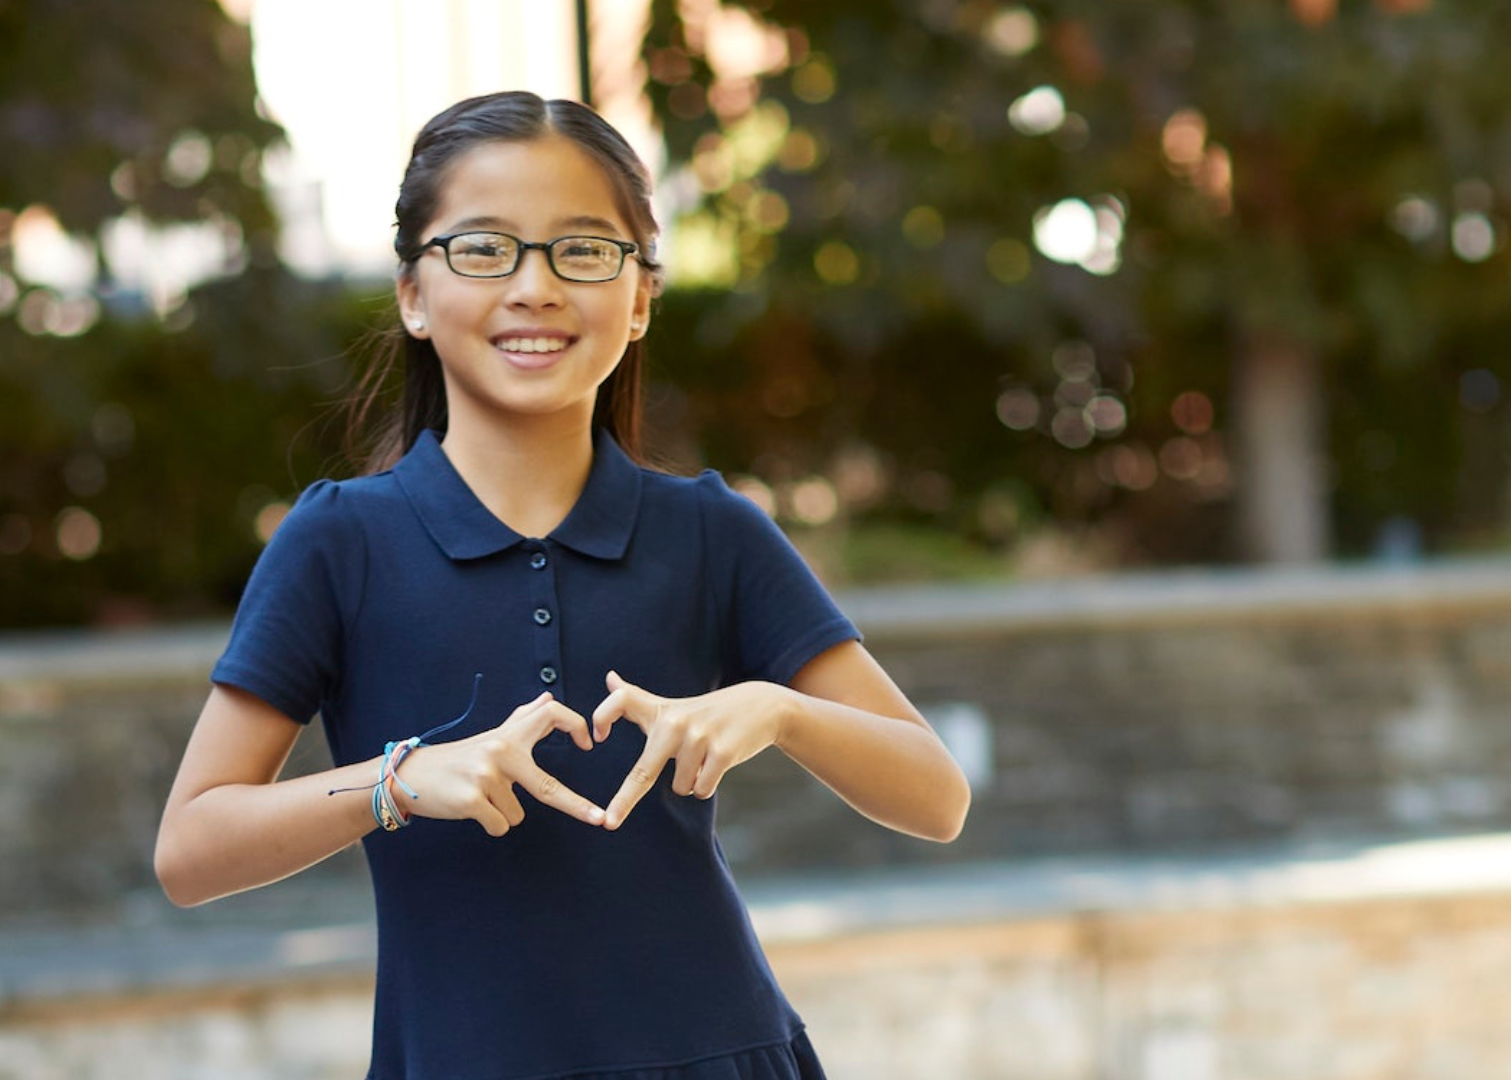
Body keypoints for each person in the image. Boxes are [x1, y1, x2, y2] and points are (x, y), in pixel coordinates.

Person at [155, 90, 971, 1080]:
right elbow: (191, 850)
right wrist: (398, 783)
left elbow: (937, 798)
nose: (535, 287)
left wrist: (775, 711)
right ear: (413, 292)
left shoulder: (714, 534)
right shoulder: (339, 543)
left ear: (640, 298)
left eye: (582, 250)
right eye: (485, 248)